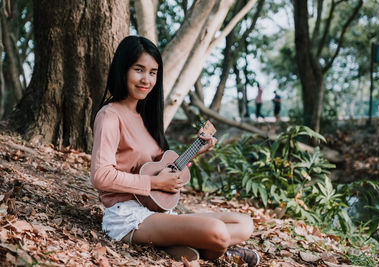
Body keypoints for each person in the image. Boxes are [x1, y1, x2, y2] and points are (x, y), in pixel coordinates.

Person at [90, 36, 259, 266]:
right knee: (217, 231)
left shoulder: (146, 118)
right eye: (139, 70)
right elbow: (101, 176)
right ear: (122, 69)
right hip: (127, 216)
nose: (146, 79)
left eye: (152, 72)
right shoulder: (110, 116)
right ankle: (216, 250)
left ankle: (184, 246)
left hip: (157, 211)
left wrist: (195, 153)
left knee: (245, 223)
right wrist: (155, 184)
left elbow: (160, 169)